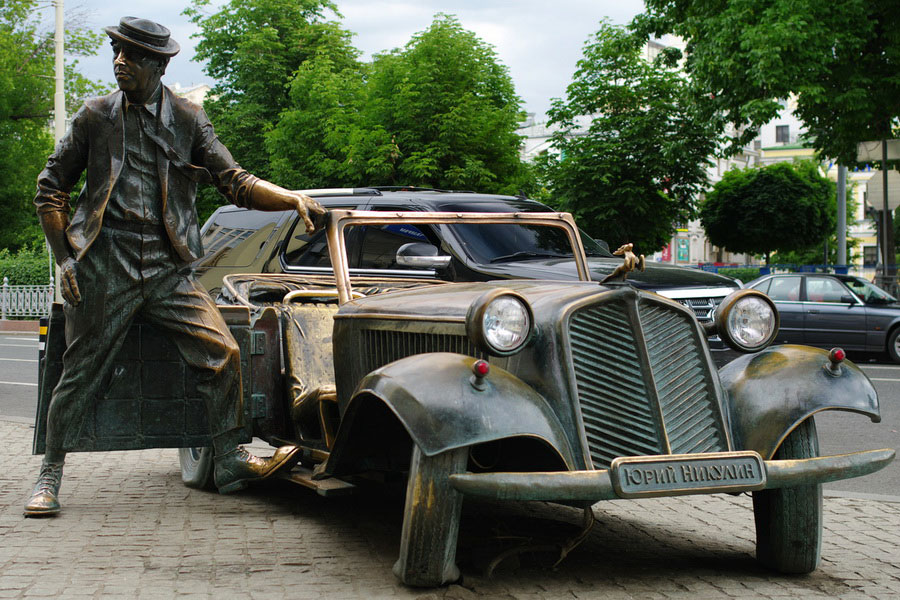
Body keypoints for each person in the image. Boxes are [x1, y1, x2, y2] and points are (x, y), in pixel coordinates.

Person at [25, 17, 326, 516]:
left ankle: (228, 456)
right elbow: (49, 189)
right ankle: (49, 473)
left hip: (167, 265)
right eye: (116, 53)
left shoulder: (188, 118)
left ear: (159, 65)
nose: (120, 62)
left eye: (132, 56)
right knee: (79, 371)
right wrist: (65, 259)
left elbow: (235, 180)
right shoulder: (95, 116)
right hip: (107, 259)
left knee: (224, 352)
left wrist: (291, 198)